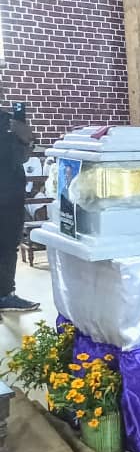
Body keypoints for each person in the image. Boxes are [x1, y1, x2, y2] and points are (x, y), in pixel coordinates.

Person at [0, 113, 40, 312]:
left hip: (10, 196)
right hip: (6, 195)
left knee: (8, 247)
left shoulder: (7, 120)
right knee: (7, 247)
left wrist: (25, 138)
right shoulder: (7, 122)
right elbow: (15, 157)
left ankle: (6, 294)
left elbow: (22, 157)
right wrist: (24, 139)